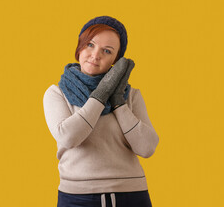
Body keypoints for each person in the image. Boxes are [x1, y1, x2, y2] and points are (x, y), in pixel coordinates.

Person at [42, 16, 159, 207]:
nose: (95, 55)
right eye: (90, 44)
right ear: (79, 47)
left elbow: (147, 148)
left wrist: (118, 102)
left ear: (116, 61)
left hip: (132, 195)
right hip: (77, 198)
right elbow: (68, 137)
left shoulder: (130, 95)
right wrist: (103, 92)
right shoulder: (57, 93)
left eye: (107, 51)